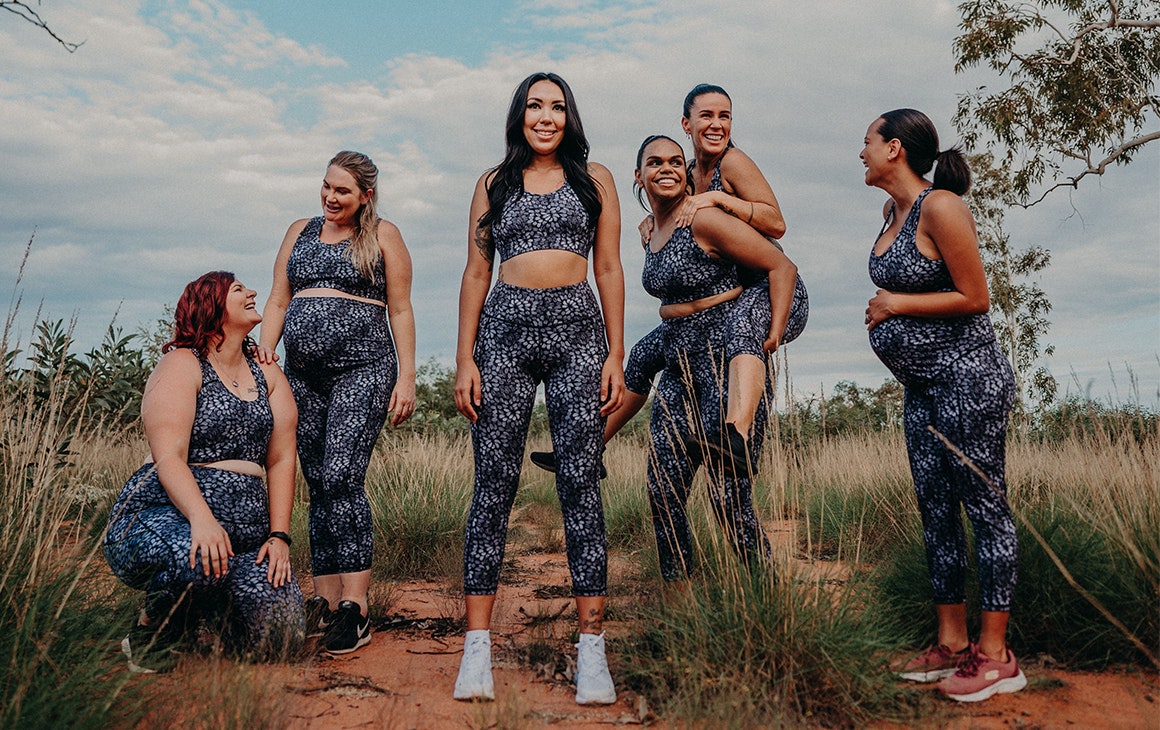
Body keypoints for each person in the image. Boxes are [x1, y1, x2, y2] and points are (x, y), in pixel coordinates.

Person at [529, 83, 807, 477]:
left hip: (772, 288)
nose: (716, 124)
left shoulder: (733, 163)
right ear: (686, 124)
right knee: (642, 356)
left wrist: (718, 199)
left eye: (724, 116)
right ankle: (585, 447)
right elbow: (675, 212)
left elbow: (776, 225)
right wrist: (654, 222)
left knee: (744, 326)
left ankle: (736, 436)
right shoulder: (690, 172)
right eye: (706, 116)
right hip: (731, 295)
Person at [452, 72, 624, 705]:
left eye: (556, 106)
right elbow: (476, 271)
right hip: (504, 333)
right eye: (534, 105)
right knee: (492, 483)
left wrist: (615, 349)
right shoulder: (493, 184)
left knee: (580, 481)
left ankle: (592, 653)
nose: (544, 116)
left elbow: (608, 265)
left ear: (569, 116)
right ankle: (476, 653)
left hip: (579, 333)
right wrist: (466, 356)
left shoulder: (595, 178)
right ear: (518, 116)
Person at [860, 108, 1024, 702]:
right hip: (922, 388)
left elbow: (976, 297)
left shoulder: (942, 206)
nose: (862, 152)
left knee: (984, 508)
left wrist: (897, 306)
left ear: (895, 149)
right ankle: (951, 642)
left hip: (968, 381)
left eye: (868, 142)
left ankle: (998, 655)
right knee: (935, 510)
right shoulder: (891, 211)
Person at [257, 151, 416, 655]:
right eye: (326, 186)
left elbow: (401, 307)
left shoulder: (383, 235)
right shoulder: (299, 230)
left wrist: (406, 377)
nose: (330, 197)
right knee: (318, 481)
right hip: (301, 375)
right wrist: (265, 354)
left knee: (343, 475)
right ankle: (324, 600)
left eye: (342, 191)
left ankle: (356, 606)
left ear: (366, 195)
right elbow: (279, 299)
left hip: (364, 370)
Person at [105, 272, 304, 674]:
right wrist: (202, 518)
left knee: (279, 636)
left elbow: (282, 459)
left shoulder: (267, 373)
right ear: (211, 306)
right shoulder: (182, 364)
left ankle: (208, 613)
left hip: (244, 539)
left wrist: (279, 536)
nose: (252, 293)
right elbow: (169, 457)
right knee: (195, 560)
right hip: (166, 514)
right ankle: (151, 631)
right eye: (238, 290)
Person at [634, 134, 797, 587]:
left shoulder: (708, 217)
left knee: (728, 499)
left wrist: (772, 334)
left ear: (687, 177)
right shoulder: (652, 230)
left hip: (725, 359)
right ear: (639, 175)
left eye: (673, 162)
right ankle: (679, 606)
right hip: (679, 366)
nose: (666, 169)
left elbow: (780, 262)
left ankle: (767, 597)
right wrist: (649, 223)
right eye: (654, 162)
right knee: (662, 492)